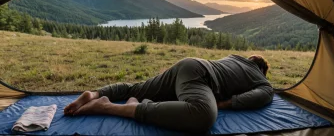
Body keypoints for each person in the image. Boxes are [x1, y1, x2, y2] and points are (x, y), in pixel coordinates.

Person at [64, 55, 274, 133]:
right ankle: (110, 106)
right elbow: (260, 96)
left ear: (250, 60)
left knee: (135, 88)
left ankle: (94, 94)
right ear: (263, 70)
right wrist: (225, 104)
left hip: (189, 64)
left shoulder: (235, 58)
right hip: (201, 78)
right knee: (204, 114)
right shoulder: (262, 80)